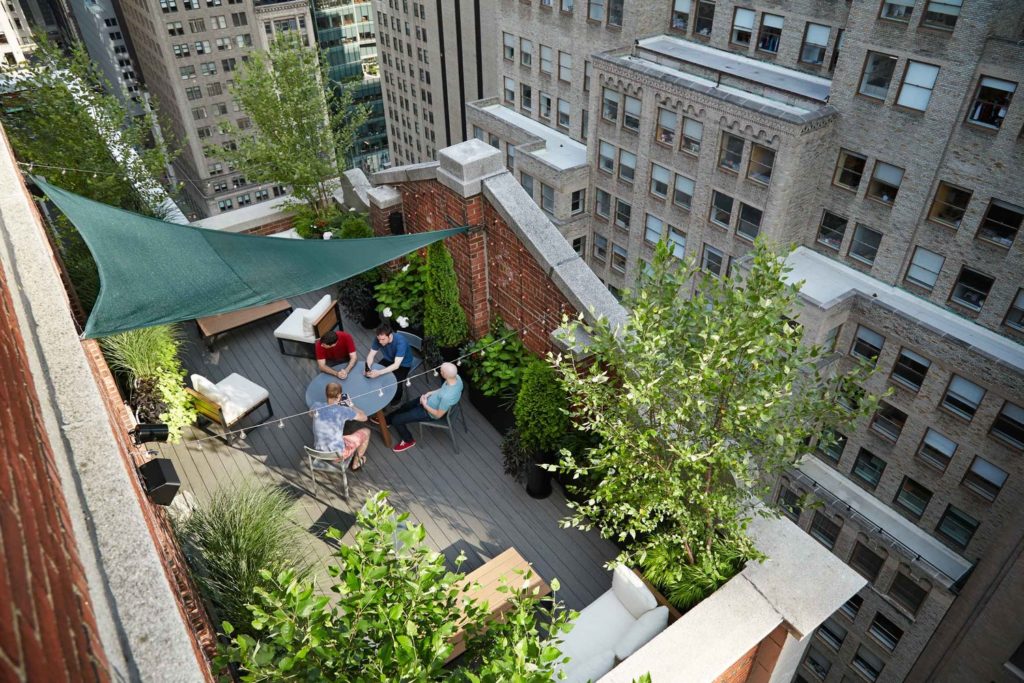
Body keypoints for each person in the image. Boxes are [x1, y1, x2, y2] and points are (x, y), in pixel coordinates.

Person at [389, 362, 463, 453]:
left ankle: (408, 440)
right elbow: (443, 389)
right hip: (428, 401)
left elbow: (438, 415)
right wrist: (430, 393)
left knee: (396, 420)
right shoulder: (457, 379)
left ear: (445, 375)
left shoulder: (447, 397)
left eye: (441, 370)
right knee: (406, 406)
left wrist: (424, 404)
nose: (439, 371)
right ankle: (387, 420)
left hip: (428, 413)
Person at [310, 382, 370, 470]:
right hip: (337, 455)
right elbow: (364, 417)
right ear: (339, 396)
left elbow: (311, 414)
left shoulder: (316, 406)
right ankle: (356, 464)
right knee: (367, 431)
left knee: (339, 434)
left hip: (318, 451)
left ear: (326, 393)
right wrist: (351, 405)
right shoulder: (343, 410)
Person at [364, 322, 414, 406]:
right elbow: (371, 355)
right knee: (370, 375)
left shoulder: (401, 342)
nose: (380, 342)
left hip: (403, 364)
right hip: (389, 359)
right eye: (378, 339)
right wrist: (367, 368)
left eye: (383, 339)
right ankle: (377, 394)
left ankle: (396, 399)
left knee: (396, 382)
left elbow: (396, 365)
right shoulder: (379, 338)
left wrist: (379, 372)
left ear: (390, 336)